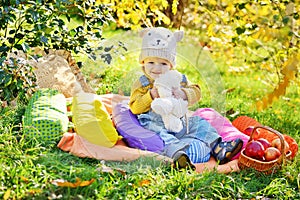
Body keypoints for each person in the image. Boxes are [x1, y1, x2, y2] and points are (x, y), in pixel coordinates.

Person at [129, 27, 243, 169]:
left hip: (179, 121)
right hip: (155, 122)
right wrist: (150, 96)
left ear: (171, 65)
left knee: (199, 123)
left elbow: (196, 91)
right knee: (160, 135)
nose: (156, 68)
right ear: (143, 62)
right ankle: (179, 156)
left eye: (163, 63)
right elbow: (134, 107)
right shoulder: (142, 84)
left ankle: (218, 147)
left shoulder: (177, 78)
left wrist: (184, 93)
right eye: (151, 62)